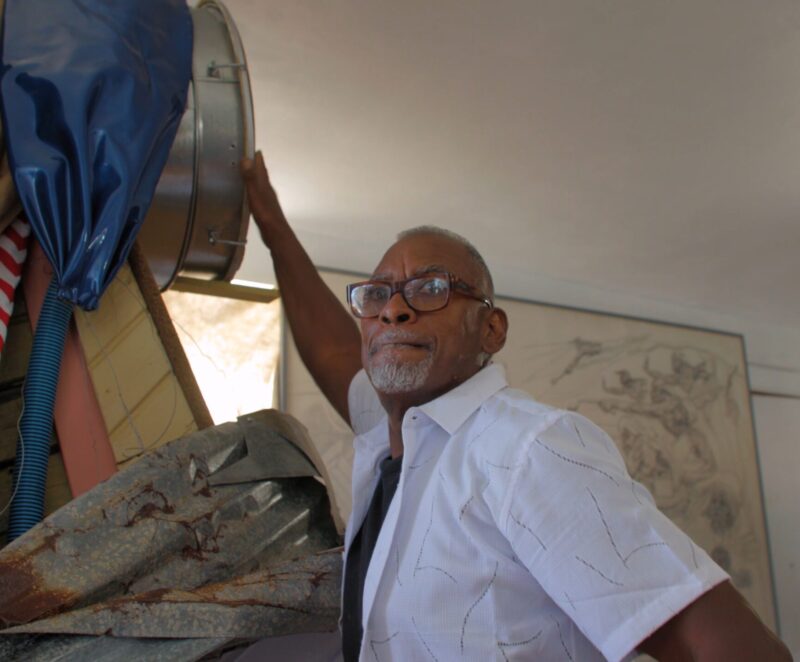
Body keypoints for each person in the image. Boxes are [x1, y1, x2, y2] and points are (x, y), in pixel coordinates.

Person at [241, 151, 791, 662]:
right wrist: (273, 228)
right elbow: (336, 351)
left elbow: (731, 648)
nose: (394, 311)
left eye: (429, 288)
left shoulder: (530, 448)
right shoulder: (400, 441)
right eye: (379, 295)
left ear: (492, 329)